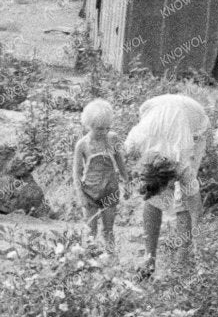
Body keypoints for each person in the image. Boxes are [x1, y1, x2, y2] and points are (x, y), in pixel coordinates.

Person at [126, 92, 210, 277]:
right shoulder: (135, 143)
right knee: (155, 199)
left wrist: (203, 259)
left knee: (183, 201)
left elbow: (197, 212)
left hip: (194, 122)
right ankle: (149, 259)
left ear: (172, 178)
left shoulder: (182, 163)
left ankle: (183, 262)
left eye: (169, 186)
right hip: (155, 108)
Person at [69, 99, 123, 254]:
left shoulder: (112, 139)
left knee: (108, 229)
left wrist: (126, 180)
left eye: (107, 128)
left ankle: (112, 260)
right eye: (99, 129)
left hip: (110, 189)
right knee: (90, 228)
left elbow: (120, 161)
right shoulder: (82, 144)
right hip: (90, 191)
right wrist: (80, 195)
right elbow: (76, 172)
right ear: (89, 125)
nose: (104, 132)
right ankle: (87, 260)